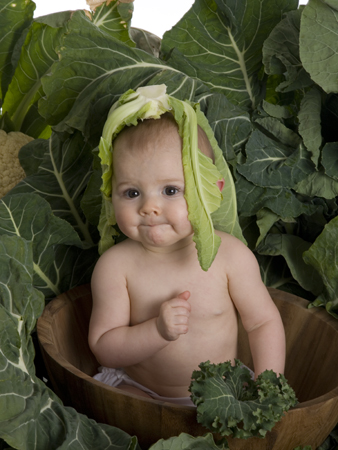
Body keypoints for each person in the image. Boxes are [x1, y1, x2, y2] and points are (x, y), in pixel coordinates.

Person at [88, 111, 285, 406]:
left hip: (224, 394)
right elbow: (104, 347)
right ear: (110, 196)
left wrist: (268, 384)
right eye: (131, 192)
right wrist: (156, 331)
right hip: (140, 390)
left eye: (170, 190)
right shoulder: (116, 267)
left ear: (209, 192)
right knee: (112, 405)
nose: (149, 207)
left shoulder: (230, 256)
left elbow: (262, 323)